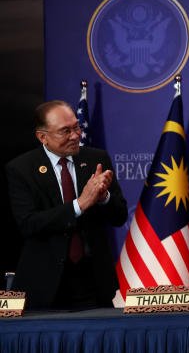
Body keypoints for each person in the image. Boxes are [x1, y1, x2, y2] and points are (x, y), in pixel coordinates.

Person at [6, 100, 128, 309]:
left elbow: (120, 217)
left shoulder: (96, 159)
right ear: (42, 137)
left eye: (76, 127)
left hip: (94, 281)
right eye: (65, 131)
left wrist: (104, 196)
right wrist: (79, 205)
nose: (75, 135)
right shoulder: (21, 169)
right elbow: (28, 223)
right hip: (44, 284)